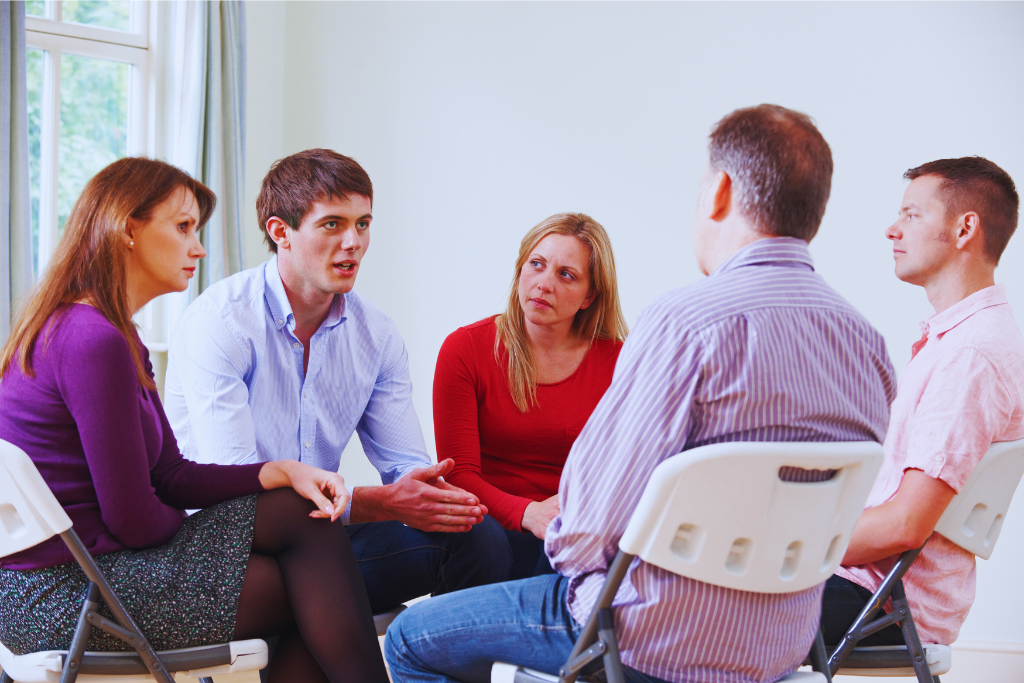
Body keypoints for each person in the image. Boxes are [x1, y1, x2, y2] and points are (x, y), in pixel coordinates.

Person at [385, 104, 897, 683]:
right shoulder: (869, 347)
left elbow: (588, 532)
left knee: (408, 637)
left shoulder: (684, 325)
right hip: (780, 643)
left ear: (720, 192)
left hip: (647, 634)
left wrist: (567, 554)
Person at [0, 158, 388, 683]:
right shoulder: (92, 341)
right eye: (182, 228)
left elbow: (170, 474)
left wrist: (277, 471)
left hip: (80, 580)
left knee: (304, 537)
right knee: (314, 578)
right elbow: (136, 520)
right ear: (127, 229)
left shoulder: (109, 332)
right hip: (61, 599)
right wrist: (206, 536)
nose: (199, 248)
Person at [163, 149, 508, 612]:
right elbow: (238, 494)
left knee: (474, 535)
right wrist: (379, 503)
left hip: (317, 543)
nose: (353, 242)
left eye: (363, 224)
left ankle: (431, 659)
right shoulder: (221, 322)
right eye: (332, 224)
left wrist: (425, 494)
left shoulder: (377, 334)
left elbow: (404, 464)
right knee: (300, 562)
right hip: (225, 553)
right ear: (280, 232)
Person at [822, 157, 1024, 648]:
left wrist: (797, 548)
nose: (892, 229)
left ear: (964, 229)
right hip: (868, 588)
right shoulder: (957, 342)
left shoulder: (970, 355)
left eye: (912, 215)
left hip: (880, 602)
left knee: (666, 611)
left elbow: (907, 523)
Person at [434, 213, 627, 580]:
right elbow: (458, 476)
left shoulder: (621, 362)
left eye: (565, 274)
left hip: (576, 533)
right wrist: (528, 513)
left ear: (589, 296)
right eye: (536, 265)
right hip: (490, 533)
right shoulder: (466, 348)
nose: (543, 284)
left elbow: (629, 467)